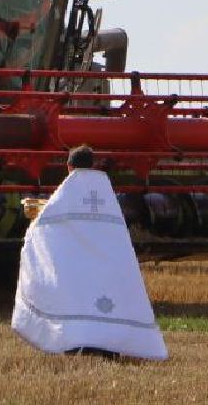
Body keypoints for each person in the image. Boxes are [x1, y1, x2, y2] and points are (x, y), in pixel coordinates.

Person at [12, 145, 168, 360]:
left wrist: (33, 228)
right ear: (92, 164)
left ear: (69, 166)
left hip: (78, 265)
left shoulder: (67, 191)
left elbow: (46, 224)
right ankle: (109, 345)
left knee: (78, 300)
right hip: (105, 265)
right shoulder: (104, 191)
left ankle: (78, 343)